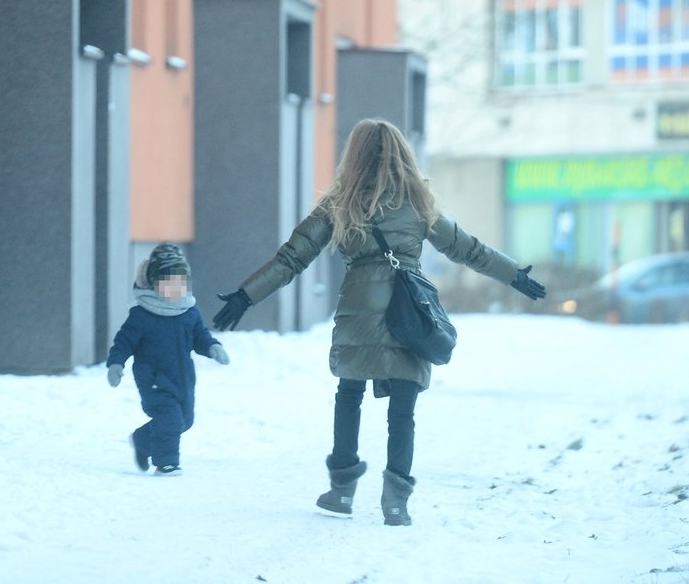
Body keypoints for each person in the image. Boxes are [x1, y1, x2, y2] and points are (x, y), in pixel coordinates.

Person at [213, 119, 545, 525]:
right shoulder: (418, 205)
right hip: (410, 310)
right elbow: (468, 249)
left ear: (354, 155)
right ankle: (395, 501)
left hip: (359, 308)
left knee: (349, 395)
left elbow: (291, 258)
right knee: (403, 409)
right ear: (401, 153)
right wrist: (514, 274)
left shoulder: (340, 203)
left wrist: (247, 294)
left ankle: (341, 490)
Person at [107, 243, 230, 476]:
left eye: (181, 282)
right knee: (170, 419)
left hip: (183, 378)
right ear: (154, 284)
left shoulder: (189, 312)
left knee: (184, 421)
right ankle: (166, 464)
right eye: (169, 282)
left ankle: (142, 440)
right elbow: (124, 342)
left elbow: (200, 336)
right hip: (153, 379)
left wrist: (213, 347)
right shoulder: (141, 315)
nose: (176, 288)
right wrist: (116, 363)